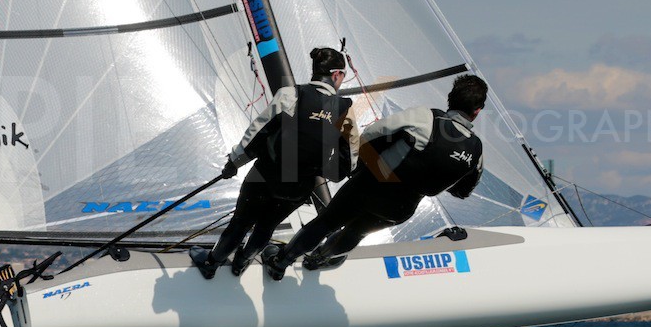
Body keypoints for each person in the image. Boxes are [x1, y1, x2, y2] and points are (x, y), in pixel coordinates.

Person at [263, 73, 487, 279]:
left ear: (450, 98)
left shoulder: (425, 117)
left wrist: (359, 163)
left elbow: (372, 134)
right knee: (357, 232)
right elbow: (462, 191)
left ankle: (281, 261)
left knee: (326, 222)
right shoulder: (477, 150)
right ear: (477, 110)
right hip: (401, 208)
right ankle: (318, 259)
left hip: (369, 187)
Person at [190, 47, 359, 278]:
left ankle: (211, 264)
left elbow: (258, 131)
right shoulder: (344, 109)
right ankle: (241, 263)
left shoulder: (292, 94)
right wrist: (323, 171)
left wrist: (234, 163)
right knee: (266, 227)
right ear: (337, 74)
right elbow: (349, 161)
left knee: (240, 223)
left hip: (265, 176)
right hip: (300, 187)